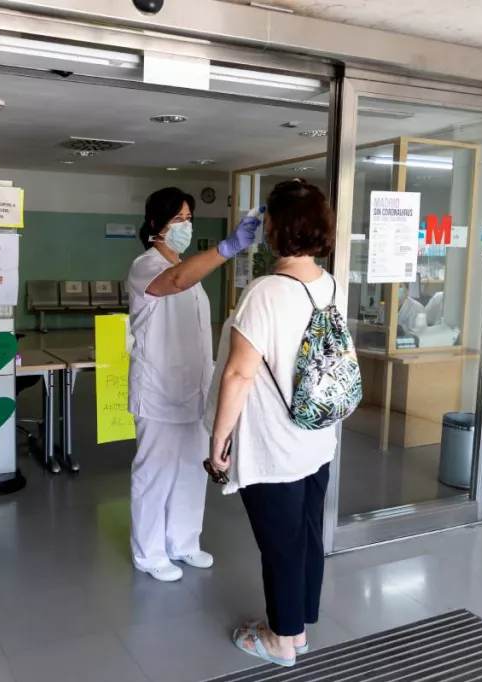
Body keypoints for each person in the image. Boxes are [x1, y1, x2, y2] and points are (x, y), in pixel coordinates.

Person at [205, 179, 337, 666]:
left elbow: (239, 374)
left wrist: (219, 441)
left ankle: (282, 642)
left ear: (276, 229)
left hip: (273, 444)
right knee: (306, 537)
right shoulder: (328, 283)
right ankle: (298, 627)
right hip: (316, 437)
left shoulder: (265, 292)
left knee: (280, 545)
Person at [126, 186, 260, 582]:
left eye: (189, 218)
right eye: (178, 219)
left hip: (194, 394)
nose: (185, 225)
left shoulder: (192, 273)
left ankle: (183, 543)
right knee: (155, 473)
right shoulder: (145, 267)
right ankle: (148, 553)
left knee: (189, 471)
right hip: (159, 392)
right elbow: (177, 280)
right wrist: (229, 246)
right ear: (156, 225)